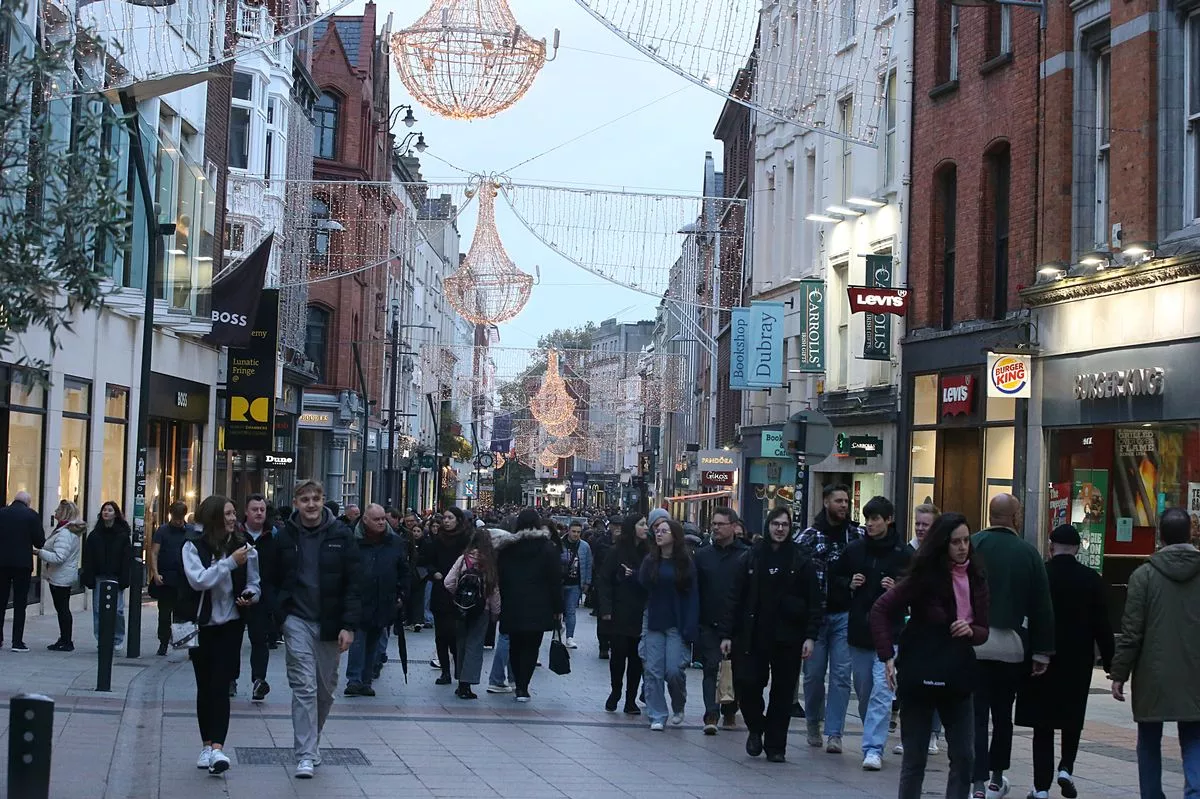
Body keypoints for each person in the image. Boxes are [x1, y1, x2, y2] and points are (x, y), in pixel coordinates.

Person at [870, 512, 991, 799]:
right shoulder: (923, 579)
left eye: (966, 541)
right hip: (921, 670)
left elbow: (984, 630)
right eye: (956, 542)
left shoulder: (976, 577)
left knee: (964, 756)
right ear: (942, 545)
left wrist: (970, 630)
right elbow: (880, 610)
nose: (963, 548)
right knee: (915, 759)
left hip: (957, 673)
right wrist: (887, 656)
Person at [266, 480, 360, 780]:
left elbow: (354, 583)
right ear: (295, 502)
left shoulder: (341, 536)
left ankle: (312, 741)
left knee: (324, 690)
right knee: (304, 687)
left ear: (322, 502)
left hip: (331, 623)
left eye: (316, 499)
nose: (310, 504)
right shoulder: (284, 537)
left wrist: (349, 625)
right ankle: (305, 754)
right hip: (296, 619)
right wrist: (280, 614)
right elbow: (271, 577)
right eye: (304, 499)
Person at [1014, 524, 1114, 799]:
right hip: (1077, 661)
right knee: (1072, 718)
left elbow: (1026, 617)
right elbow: (1103, 625)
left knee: (1042, 726)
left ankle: (1041, 787)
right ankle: (1066, 768)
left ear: (1051, 546)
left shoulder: (1041, 576)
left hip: (1042, 658)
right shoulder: (1092, 580)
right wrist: (1110, 663)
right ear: (1078, 548)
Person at [1109, 506, 1200, 799]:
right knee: (1195, 737)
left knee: (1148, 739)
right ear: (1191, 533)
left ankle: (1152, 794)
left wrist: (1119, 672)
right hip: (1196, 673)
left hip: (1153, 674)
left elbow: (1132, 630)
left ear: (1160, 536)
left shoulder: (1144, 576)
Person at [719, 506, 821, 762]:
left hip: (789, 636)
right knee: (749, 684)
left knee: (783, 693)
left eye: (784, 525)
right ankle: (756, 727)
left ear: (790, 528)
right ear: (768, 526)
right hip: (754, 633)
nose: (779, 529)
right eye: (775, 524)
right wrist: (727, 634)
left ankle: (776, 747)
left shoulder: (800, 559)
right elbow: (735, 597)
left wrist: (810, 635)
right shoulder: (752, 557)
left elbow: (814, 601)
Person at [970, 494, 1055, 799]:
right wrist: (1042, 651)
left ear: (990, 514)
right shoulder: (1028, 554)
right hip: (1012, 648)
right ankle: (996, 778)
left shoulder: (973, 545)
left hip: (974, 645)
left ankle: (976, 783)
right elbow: (1042, 607)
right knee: (1002, 715)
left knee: (976, 716)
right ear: (1015, 517)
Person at [180, 495, 259, 776]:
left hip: (231, 625)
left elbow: (254, 582)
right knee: (205, 686)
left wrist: (251, 595)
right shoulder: (193, 547)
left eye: (233, 513)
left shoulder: (244, 547)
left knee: (221, 684)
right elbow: (198, 580)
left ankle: (217, 748)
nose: (232, 518)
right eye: (227, 513)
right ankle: (205, 745)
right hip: (202, 626)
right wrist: (228, 564)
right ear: (213, 516)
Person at [834, 496, 912, 770]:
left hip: (890, 633)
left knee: (882, 689)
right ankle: (873, 733)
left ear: (888, 520)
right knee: (865, 690)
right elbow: (834, 579)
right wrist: (849, 583)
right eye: (867, 519)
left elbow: (916, 590)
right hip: (859, 630)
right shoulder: (855, 550)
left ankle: (873, 748)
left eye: (875, 519)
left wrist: (898, 589)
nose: (869, 524)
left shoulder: (903, 554)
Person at [797, 483, 863, 752]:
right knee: (812, 676)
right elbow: (797, 572)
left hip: (845, 615)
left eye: (846, 501)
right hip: (816, 618)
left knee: (840, 676)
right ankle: (813, 722)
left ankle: (834, 732)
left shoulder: (857, 535)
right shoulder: (810, 537)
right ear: (826, 502)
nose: (844, 506)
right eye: (838, 501)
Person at [638, 518, 700, 731]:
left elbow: (692, 595)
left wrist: (690, 627)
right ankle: (657, 714)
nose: (659, 534)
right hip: (655, 621)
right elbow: (642, 583)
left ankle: (678, 703)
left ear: (674, 536)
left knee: (674, 671)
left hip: (676, 623)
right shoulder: (650, 560)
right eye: (657, 530)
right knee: (653, 671)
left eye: (664, 531)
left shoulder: (685, 562)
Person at [494, 509, 562, 702]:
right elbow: (555, 580)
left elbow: (501, 576)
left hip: (513, 603)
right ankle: (523, 686)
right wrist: (558, 608)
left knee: (515, 644)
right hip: (539, 605)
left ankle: (518, 683)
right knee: (532, 646)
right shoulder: (548, 548)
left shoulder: (508, 547)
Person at [694, 505, 749, 734]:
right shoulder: (703, 555)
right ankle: (711, 713)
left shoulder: (745, 555)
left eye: (720, 524)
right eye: (714, 524)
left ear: (734, 527)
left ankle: (729, 710)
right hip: (709, 622)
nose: (715, 528)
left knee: (736, 670)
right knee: (711, 666)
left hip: (738, 625)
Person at [345, 504, 408, 698]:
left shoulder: (395, 542)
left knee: (373, 640)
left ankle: (366, 680)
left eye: (383, 519)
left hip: (383, 599)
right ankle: (354, 679)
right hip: (359, 598)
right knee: (358, 639)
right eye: (376, 519)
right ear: (365, 520)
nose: (381, 522)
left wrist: (401, 593)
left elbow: (403, 570)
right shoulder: (352, 540)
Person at [895, 502, 942, 757]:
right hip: (911, 626)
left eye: (926, 525)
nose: (921, 529)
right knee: (910, 683)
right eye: (918, 524)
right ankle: (910, 733)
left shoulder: (943, 554)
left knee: (936, 681)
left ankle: (934, 733)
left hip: (936, 629)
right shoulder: (906, 551)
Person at [597, 513, 650, 714]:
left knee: (636, 659)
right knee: (618, 656)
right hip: (619, 611)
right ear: (632, 528)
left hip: (640, 611)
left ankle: (631, 698)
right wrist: (606, 610)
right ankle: (616, 691)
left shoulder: (649, 552)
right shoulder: (616, 551)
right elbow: (604, 580)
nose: (646, 528)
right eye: (642, 524)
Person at [444, 528, 501, 699]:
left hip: (462, 608)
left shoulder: (464, 559)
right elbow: (494, 591)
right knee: (474, 646)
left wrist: (459, 595)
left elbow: (448, 582)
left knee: (461, 643)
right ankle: (466, 685)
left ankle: (460, 680)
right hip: (480, 610)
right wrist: (495, 612)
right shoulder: (489, 563)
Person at [425, 507, 468, 684]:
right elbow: (427, 562)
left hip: (460, 592)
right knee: (441, 634)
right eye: (445, 518)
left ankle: (459, 671)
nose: (446, 521)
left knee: (456, 634)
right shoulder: (437, 540)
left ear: (458, 519)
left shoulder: (466, 539)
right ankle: (445, 671)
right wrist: (434, 573)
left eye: (450, 518)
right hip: (441, 590)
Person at [80, 501, 132, 651]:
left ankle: (117, 638)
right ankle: (101, 638)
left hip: (116, 577)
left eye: (109, 510)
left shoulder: (122, 536)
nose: (106, 512)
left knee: (117, 610)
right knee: (98, 610)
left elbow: (125, 559)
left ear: (115, 514)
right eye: (104, 510)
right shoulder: (95, 535)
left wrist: (124, 578)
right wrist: (88, 576)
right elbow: (88, 558)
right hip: (99, 576)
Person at [240, 494, 276, 702]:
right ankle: (231, 679)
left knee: (259, 640)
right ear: (246, 511)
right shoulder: (236, 535)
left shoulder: (273, 536)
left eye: (262, 509)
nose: (259, 513)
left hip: (263, 598)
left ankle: (259, 680)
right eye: (255, 509)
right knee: (232, 640)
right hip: (237, 596)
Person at [37, 500, 85, 651]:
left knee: (62, 609)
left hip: (60, 576)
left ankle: (66, 640)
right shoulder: (67, 531)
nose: (55, 512)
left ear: (64, 513)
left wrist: (39, 552)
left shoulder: (65, 533)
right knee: (63, 608)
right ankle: (64, 639)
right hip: (62, 574)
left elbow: (59, 557)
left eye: (58, 510)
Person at [0, 490, 45, 651]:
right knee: (20, 603)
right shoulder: (31, 515)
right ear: (28, 502)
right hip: (22, 565)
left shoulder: (2, 513)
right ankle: (17, 642)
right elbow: (40, 542)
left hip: (2, 563)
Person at [149, 502, 191, 657]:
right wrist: (156, 572)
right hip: (166, 577)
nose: (179, 521)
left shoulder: (190, 531)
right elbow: (154, 553)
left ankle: (185, 645)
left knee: (184, 613)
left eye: (181, 518)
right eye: (176, 518)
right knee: (165, 613)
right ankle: (163, 642)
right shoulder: (162, 531)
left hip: (184, 578)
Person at [560, 521, 592, 650]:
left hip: (575, 584)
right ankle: (557, 635)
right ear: (568, 530)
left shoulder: (585, 547)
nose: (576, 534)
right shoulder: (559, 544)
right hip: (560, 583)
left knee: (571, 611)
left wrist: (587, 582)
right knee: (558, 611)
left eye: (578, 532)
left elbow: (588, 564)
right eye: (574, 531)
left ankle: (569, 637)